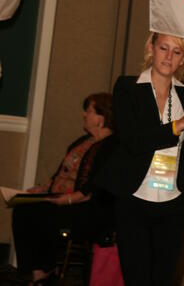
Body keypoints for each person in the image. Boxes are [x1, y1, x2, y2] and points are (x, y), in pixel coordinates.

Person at [97, 32, 184, 286]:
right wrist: (180, 124)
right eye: (164, 48)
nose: (168, 57)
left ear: (183, 60)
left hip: (172, 204)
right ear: (151, 48)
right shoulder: (127, 87)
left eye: (177, 52)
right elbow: (134, 140)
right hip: (134, 202)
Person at [12, 92, 115, 285]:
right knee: (22, 209)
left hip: (87, 207)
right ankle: (38, 272)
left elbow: (96, 187)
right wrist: (41, 190)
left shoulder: (110, 147)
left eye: (89, 111)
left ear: (101, 117)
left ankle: (46, 272)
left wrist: (67, 200)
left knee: (42, 216)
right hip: (61, 199)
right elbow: (60, 174)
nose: (84, 115)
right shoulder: (82, 142)